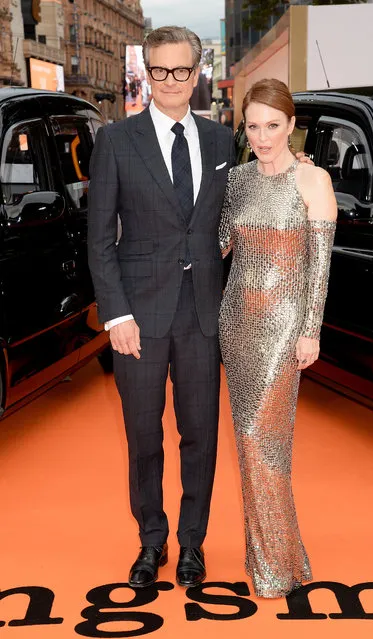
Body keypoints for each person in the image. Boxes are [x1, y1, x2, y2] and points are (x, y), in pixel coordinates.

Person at [88, 25, 312, 590]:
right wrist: (116, 316)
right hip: (137, 318)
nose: (170, 81)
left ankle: (192, 544)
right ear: (145, 73)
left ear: (197, 73)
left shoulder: (219, 142)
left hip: (202, 317)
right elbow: (98, 239)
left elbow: (254, 193)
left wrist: (303, 172)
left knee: (200, 436)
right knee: (143, 435)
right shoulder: (116, 140)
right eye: (158, 71)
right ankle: (151, 541)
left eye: (181, 70)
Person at [219, 78, 337, 598]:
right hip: (236, 322)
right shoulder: (238, 181)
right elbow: (218, 242)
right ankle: (278, 557)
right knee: (250, 446)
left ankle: (275, 565)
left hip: (284, 328)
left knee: (261, 443)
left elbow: (319, 270)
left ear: (292, 126)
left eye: (273, 126)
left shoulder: (312, 182)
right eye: (254, 126)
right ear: (243, 128)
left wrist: (310, 330)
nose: (263, 137)